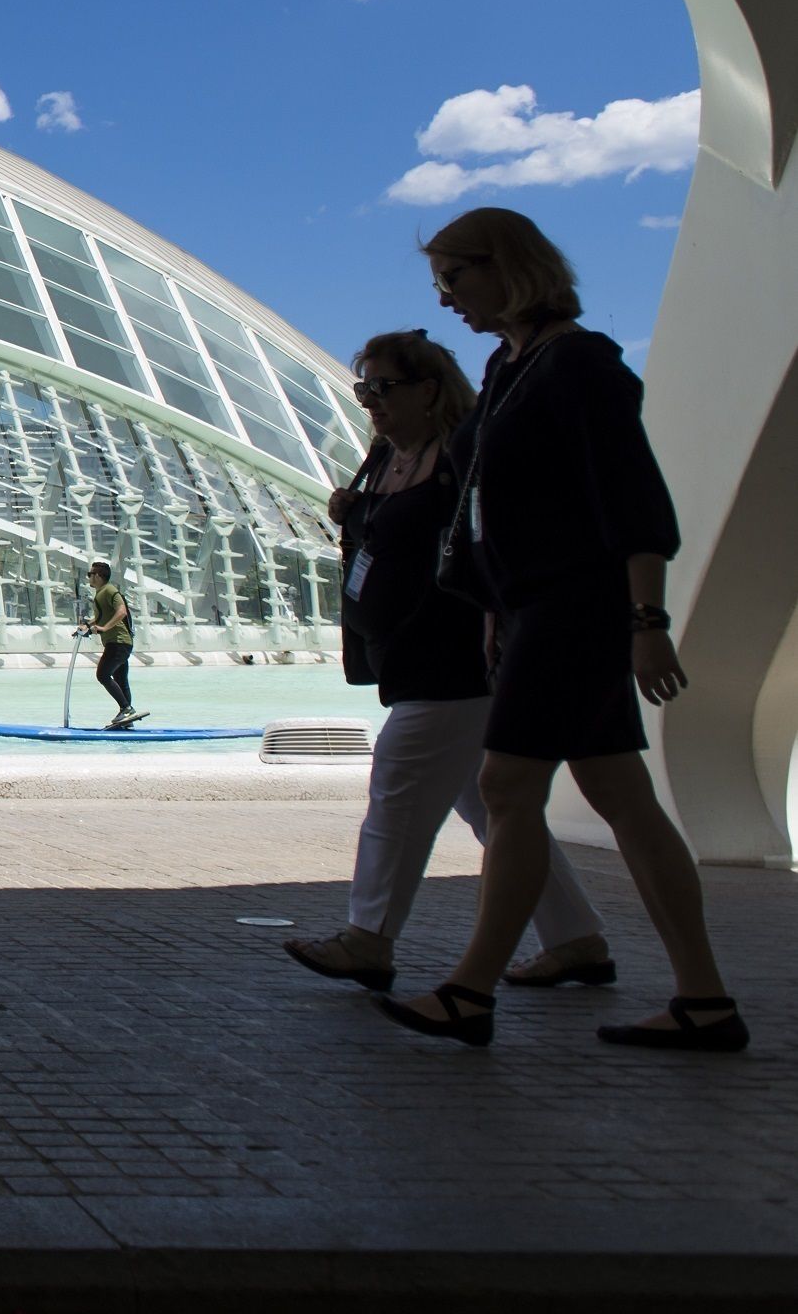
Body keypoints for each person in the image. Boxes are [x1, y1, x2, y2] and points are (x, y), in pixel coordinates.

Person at [380, 208, 745, 1051]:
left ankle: (471, 989)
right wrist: (492, 610)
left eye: (456, 278)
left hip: (574, 607)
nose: (448, 301)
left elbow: (631, 497)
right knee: (622, 798)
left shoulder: (580, 365)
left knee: (509, 787)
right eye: (439, 286)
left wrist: (645, 618)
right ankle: (705, 997)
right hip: (532, 610)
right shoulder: (511, 367)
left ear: (508, 265)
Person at [286, 328, 611, 995]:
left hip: (455, 656)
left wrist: (497, 621)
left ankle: (367, 938)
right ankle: (577, 940)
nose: (371, 401)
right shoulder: (385, 459)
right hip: (407, 656)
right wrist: (356, 508)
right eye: (364, 387)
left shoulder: (458, 457)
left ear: (429, 388)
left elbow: (490, 539)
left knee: (397, 790)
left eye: (384, 387)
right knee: (493, 809)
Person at [76, 563, 142, 729]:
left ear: (98, 575)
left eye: (90, 574)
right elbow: (103, 617)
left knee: (103, 674)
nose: (89, 577)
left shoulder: (109, 590)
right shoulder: (101, 593)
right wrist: (88, 626)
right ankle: (128, 721)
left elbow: (121, 611)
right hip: (120, 642)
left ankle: (127, 710)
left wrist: (105, 628)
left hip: (118, 642)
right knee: (120, 680)